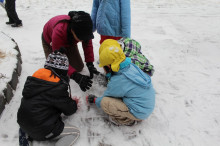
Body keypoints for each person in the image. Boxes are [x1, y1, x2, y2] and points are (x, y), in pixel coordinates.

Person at [17, 48, 80, 146]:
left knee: (33, 114)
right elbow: (69, 110)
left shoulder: (34, 79)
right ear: (63, 72)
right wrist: (74, 103)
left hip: (23, 122)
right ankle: (35, 133)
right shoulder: (57, 87)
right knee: (75, 133)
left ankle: (25, 134)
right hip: (42, 130)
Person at [87, 39, 155, 126]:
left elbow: (107, 95)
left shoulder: (118, 80)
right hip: (146, 105)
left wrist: (95, 100)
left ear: (108, 66)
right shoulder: (131, 67)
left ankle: (128, 120)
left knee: (105, 102)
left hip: (139, 112)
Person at [42, 11, 100, 92]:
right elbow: (59, 60)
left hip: (70, 42)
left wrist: (90, 64)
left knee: (78, 67)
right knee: (57, 71)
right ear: (72, 31)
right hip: (50, 42)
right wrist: (75, 76)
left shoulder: (85, 28)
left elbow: (87, 44)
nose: (83, 40)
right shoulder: (59, 31)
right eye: (81, 38)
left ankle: (68, 52)